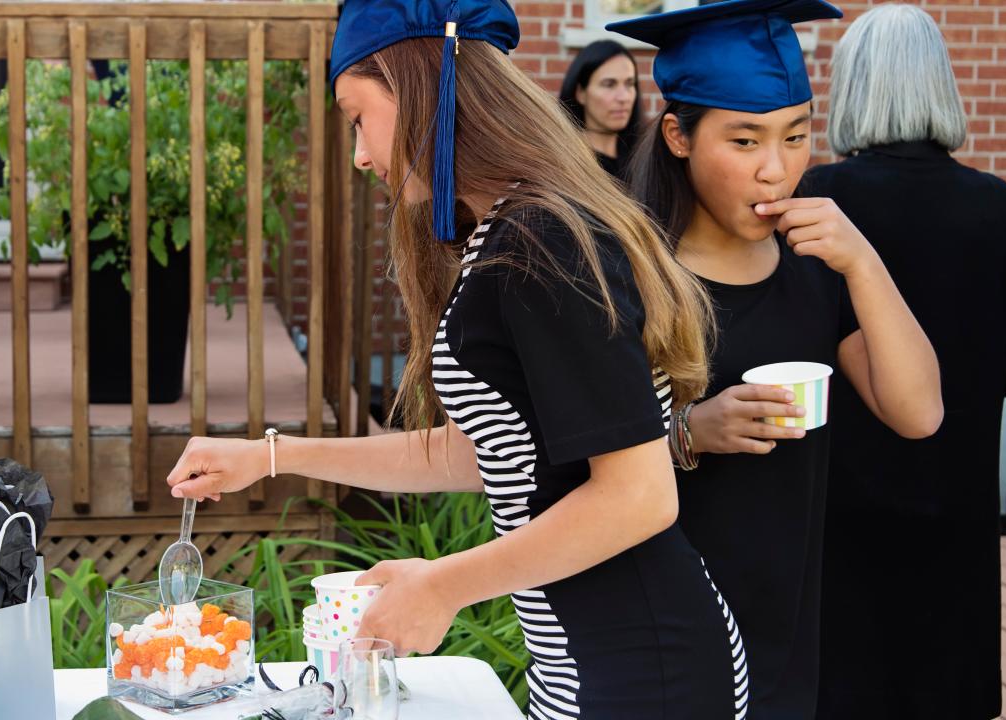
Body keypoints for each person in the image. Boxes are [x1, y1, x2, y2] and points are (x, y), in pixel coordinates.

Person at [166, 1, 749, 717]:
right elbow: (490, 454)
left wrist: (445, 585)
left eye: (357, 117)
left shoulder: (540, 243)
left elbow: (640, 495)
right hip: (594, 659)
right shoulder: (507, 234)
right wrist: (270, 456)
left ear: (419, 91)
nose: (360, 155)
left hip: (642, 672)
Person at [610, 1, 943, 717]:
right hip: (659, 616)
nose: (776, 169)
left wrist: (862, 261)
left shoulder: (815, 266)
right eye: (744, 140)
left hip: (789, 618)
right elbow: (562, 458)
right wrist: (691, 430)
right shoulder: (629, 276)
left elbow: (918, 413)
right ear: (677, 135)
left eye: (796, 136)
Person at [801, 6, 1006, 719]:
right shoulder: (995, 203)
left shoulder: (821, 199)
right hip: (957, 525)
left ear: (849, 86)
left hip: (843, 522)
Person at [558, 40, 643, 179]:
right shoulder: (566, 166)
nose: (623, 97)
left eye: (629, 84)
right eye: (609, 84)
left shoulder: (643, 159)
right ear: (581, 93)